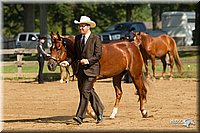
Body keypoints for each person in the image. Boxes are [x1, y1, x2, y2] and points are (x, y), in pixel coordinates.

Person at [60, 16, 104, 124]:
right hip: (80, 71)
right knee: (89, 92)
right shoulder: (78, 38)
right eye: (80, 26)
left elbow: (98, 55)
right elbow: (75, 55)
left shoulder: (96, 39)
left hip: (92, 70)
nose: (81, 28)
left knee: (85, 92)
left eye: (83, 26)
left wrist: (88, 61)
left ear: (89, 27)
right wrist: (68, 62)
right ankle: (100, 110)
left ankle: (79, 116)